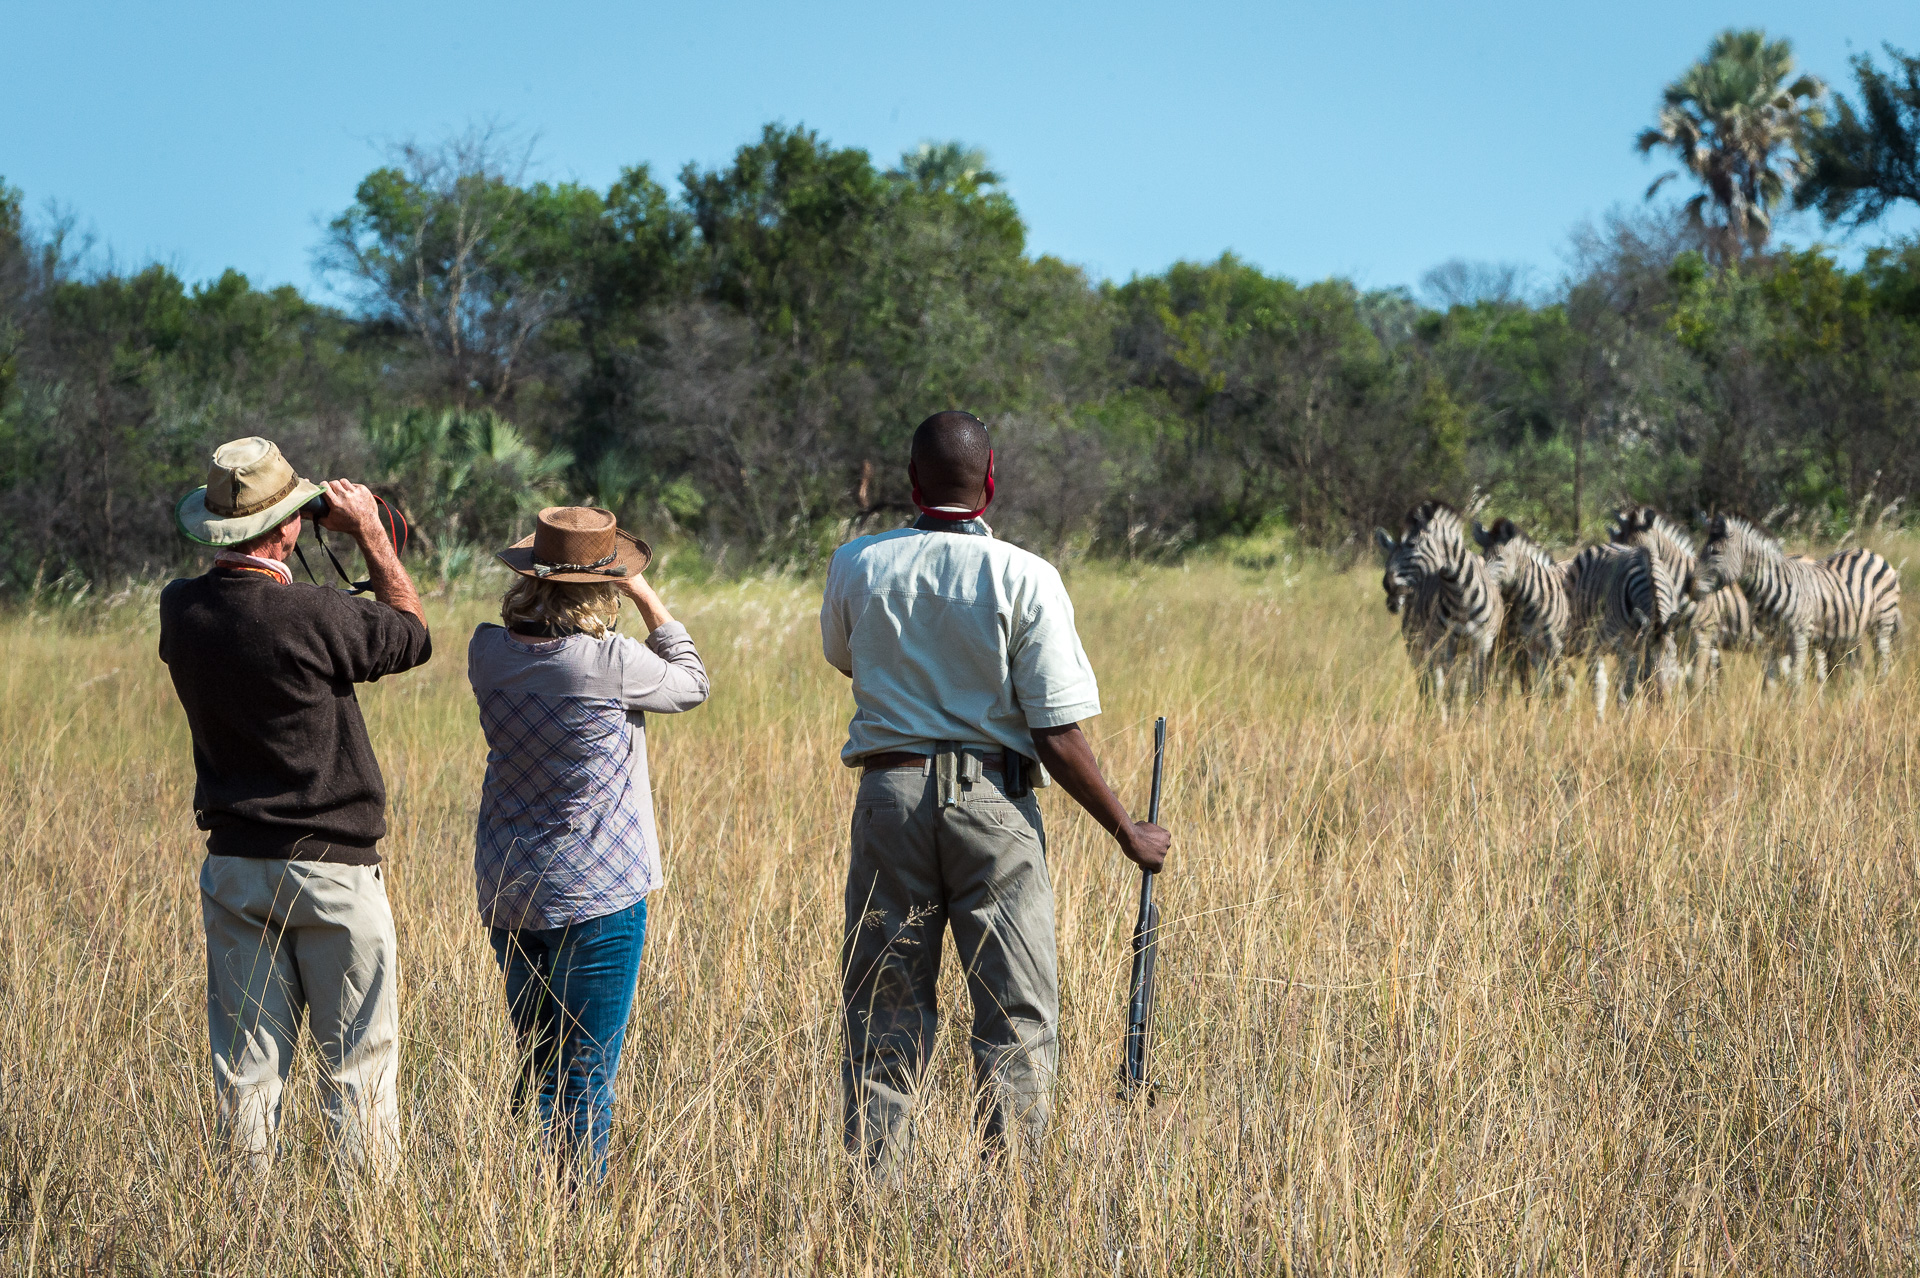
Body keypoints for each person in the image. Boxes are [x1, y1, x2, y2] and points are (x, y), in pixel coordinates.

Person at [820, 410, 1171, 1176]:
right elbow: (1055, 732)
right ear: (989, 484)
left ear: (911, 483)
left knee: (885, 1011)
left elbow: (852, 662)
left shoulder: (854, 563)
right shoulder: (1026, 575)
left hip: (890, 794)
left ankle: (876, 1207)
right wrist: (1125, 831)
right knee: (1013, 1013)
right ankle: (1008, 1211)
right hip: (993, 799)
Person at [159, 437, 431, 1174]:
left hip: (236, 871)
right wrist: (370, 530)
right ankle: (367, 1237)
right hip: (333, 872)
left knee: (245, 1075)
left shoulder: (181, 610)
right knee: (357, 1072)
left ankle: (245, 1230)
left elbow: (247, 595)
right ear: (286, 527)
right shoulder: (312, 614)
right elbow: (410, 635)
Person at [468, 506, 709, 1178]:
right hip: (599, 890)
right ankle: (578, 1213)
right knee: (587, 1071)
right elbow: (693, 684)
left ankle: (532, 1203)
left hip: (510, 884)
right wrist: (645, 595)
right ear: (605, 585)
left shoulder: (485, 651)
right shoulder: (611, 662)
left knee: (539, 1060)